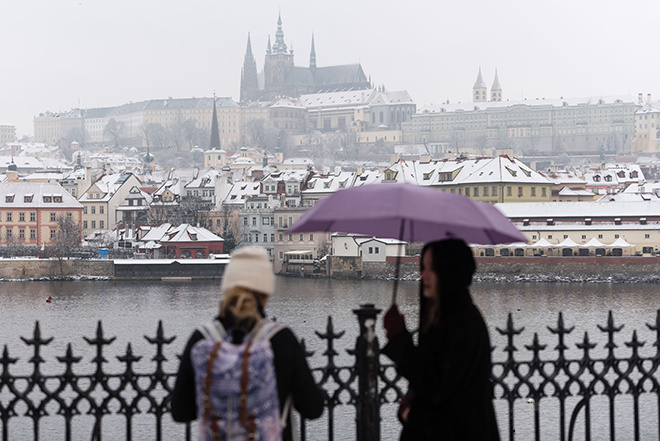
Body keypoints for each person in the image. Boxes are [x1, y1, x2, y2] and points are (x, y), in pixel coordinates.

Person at [171, 246, 324, 441]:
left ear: (226, 290)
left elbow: (180, 412)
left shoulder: (202, 338)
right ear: (266, 294)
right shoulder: (281, 339)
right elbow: (312, 409)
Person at [382, 239, 500, 440]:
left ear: (449, 273)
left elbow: (438, 388)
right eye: (423, 267)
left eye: (432, 269)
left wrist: (399, 338)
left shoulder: (460, 322)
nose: (423, 275)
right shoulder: (446, 318)